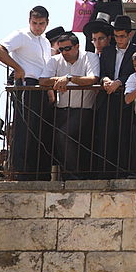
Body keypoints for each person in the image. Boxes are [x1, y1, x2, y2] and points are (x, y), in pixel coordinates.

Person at [0, 5, 53, 180]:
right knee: (24, 128)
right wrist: (17, 68)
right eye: (35, 23)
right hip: (26, 85)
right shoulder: (21, 35)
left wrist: (49, 91)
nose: (38, 27)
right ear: (29, 21)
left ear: (47, 23)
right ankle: (21, 171)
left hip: (41, 87)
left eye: (41, 23)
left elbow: (45, 67)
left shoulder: (45, 42)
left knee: (39, 130)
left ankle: (37, 173)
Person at [39, 32, 100, 179]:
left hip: (83, 109)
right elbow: (42, 81)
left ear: (77, 46)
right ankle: (66, 176)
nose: (64, 52)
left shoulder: (90, 57)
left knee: (64, 135)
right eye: (61, 49)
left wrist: (69, 78)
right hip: (61, 109)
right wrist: (58, 80)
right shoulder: (55, 60)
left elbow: (93, 78)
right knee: (59, 142)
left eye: (68, 48)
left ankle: (74, 176)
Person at [98, 15, 136, 177]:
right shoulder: (107, 50)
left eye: (122, 36)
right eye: (116, 36)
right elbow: (102, 72)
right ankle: (106, 172)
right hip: (108, 98)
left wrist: (119, 82)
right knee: (106, 135)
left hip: (126, 99)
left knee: (125, 135)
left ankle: (122, 172)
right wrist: (105, 80)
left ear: (130, 34)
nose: (119, 39)